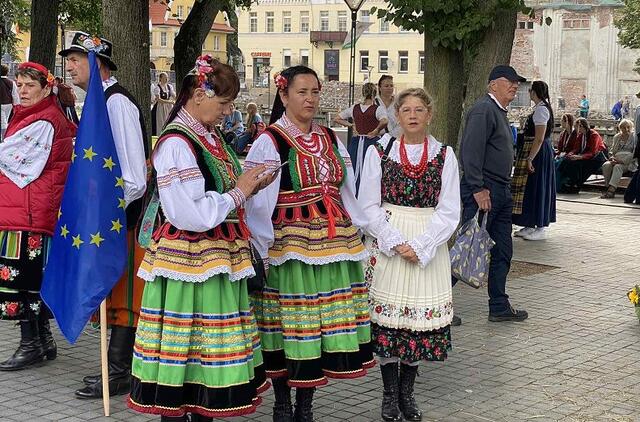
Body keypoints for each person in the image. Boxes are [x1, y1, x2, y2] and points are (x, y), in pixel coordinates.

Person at [127, 54, 276, 422]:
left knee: (208, 352)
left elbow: (219, 187)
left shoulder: (205, 135)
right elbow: (188, 212)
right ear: (198, 93)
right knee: (186, 352)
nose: (228, 111)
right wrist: (240, 192)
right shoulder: (178, 142)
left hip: (216, 257)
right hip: (190, 259)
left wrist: (251, 183)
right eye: (224, 102)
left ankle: (203, 414)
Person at [245, 66, 375, 422]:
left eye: (315, 91)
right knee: (290, 326)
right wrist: (261, 247)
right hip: (289, 245)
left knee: (317, 326)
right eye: (302, 92)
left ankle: (306, 405)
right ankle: (283, 402)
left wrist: (363, 229)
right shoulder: (270, 141)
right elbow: (258, 202)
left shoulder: (331, 138)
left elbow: (347, 190)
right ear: (284, 96)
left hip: (333, 244)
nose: (310, 99)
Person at [358, 88, 460, 422]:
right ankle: (389, 395)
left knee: (416, 323)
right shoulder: (379, 151)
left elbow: (449, 210)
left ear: (429, 114)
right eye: (406, 110)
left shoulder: (445, 155)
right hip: (389, 239)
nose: (413, 115)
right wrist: (395, 241)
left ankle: (407, 392)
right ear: (397, 116)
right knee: (388, 323)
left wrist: (422, 246)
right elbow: (367, 204)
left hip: (427, 243)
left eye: (419, 109)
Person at [59, 31, 149, 399]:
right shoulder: (98, 103)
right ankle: (113, 369)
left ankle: (118, 371)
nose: (70, 65)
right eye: (69, 58)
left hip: (120, 220)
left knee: (124, 296)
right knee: (112, 294)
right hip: (105, 219)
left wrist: (105, 213)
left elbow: (134, 177)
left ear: (98, 64)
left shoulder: (117, 105)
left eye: (77, 59)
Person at [0, 62, 75, 370]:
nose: (22, 90)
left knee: (24, 278)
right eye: (19, 85)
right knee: (29, 278)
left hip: (30, 211)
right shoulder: (29, 116)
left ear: (46, 88)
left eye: (29, 85)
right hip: (23, 209)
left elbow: (14, 159)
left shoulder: (45, 120)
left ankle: (31, 342)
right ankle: (42, 340)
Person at [457, 65, 528, 322]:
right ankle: (439, 304)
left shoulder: (498, 111)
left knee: (503, 250)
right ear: (492, 85)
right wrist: (478, 188)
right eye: (508, 81)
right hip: (485, 190)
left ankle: (498, 304)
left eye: (516, 82)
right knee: (468, 248)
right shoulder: (483, 110)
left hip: (500, 189)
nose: (514, 85)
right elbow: (470, 152)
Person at [512, 81, 556, 241]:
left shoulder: (542, 110)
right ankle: (529, 223)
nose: (529, 92)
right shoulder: (540, 108)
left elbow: (539, 138)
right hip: (534, 150)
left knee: (539, 186)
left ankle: (541, 225)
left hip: (538, 152)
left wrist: (530, 158)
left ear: (535, 92)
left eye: (530, 90)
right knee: (529, 188)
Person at [334, 82, 388, 193]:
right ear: (374, 94)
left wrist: (351, 125)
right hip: (371, 142)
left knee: (353, 167)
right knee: (371, 168)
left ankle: (353, 191)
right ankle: (368, 192)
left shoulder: (355, 108)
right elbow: (384, 120)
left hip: (356, 142)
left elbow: (337, 118)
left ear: (363, 93)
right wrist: (376, 130)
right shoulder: (378, 109)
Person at [556, 118, 607, 193]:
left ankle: (576, 184)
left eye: (577, 127)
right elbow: (576, 148)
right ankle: (569, 183)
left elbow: (593, 152)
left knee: (581, 165)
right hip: (585, 156)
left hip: (596, 158)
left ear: (582, 126)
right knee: (567, 161)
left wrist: (580, 157)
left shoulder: (593, 135)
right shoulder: (581, 135)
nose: (576, 129)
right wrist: (571, 154)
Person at [600, 119, 637, 198]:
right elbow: (612, 151)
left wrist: (621, 161)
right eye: (623, 127)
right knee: (606, 165)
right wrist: (612, 158)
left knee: (617, 167)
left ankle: (611, 190)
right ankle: (608, 187)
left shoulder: (634, 137)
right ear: (620, 128)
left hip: (628, 162)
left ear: (631, 127)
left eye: (628, 127)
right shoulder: (617, 137)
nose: (626, 129)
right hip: (616, 159)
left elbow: (634, 153)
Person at [151, 72, 175, 136]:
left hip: (169, 107)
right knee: (161, 122)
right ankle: (161, 135)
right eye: (165, 77)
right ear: (160, 78)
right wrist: (170, 102)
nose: (166, 79)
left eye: (167, 77)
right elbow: (159, 100)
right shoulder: (157, 88)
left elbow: (174, 95)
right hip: (160, 108)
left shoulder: (169, 87)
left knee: (169, 122)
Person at [1, 64, 20, 140]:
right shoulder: (11, 83)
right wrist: (16, 105)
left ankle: (4, 138)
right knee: (4, 119)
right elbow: (15, 95)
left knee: (3, 122)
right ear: (7, 73)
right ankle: (4, 137)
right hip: (8, 104)